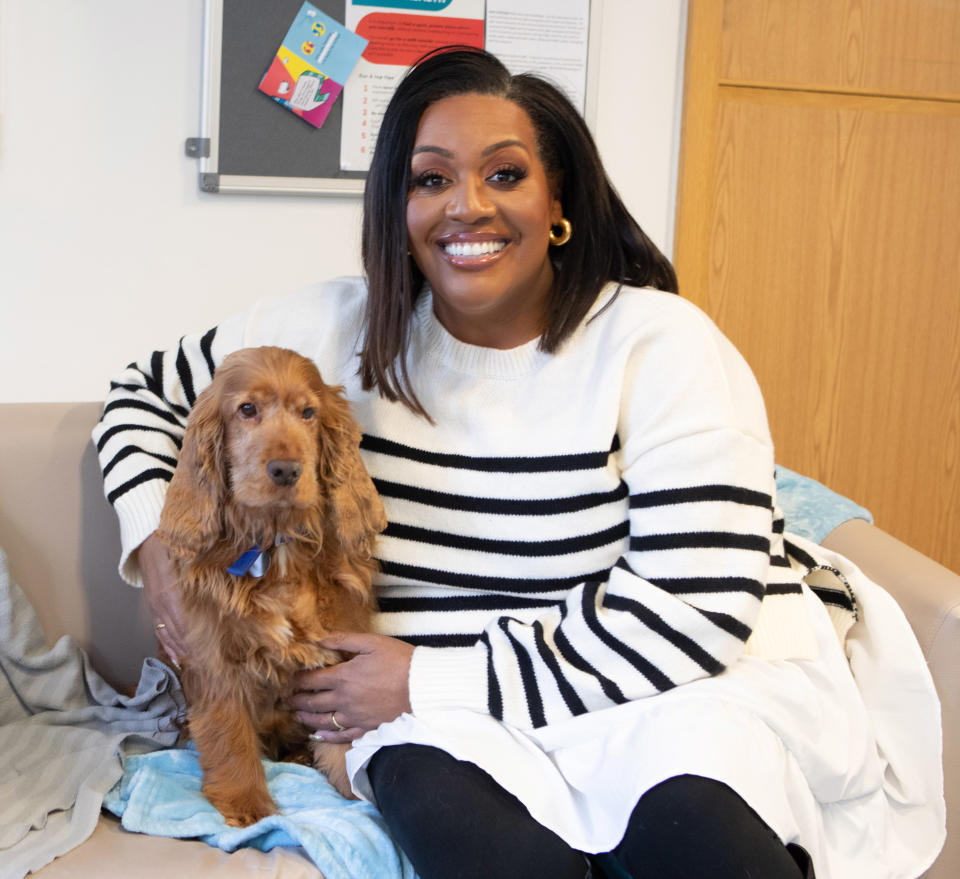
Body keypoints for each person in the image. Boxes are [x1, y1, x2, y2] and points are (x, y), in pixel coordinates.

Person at [94, 48, 943, 879]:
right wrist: (162, 557)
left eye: (504, 174)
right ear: (397, 204)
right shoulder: (330, 331)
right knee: (476, 843)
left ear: (558, 197)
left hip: (654, 690)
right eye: (431, 179)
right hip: (430, 721)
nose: (467, 206)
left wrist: (431, 675)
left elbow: (695, 612)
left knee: (696, 833)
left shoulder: (659, 343)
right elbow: (138, 394)